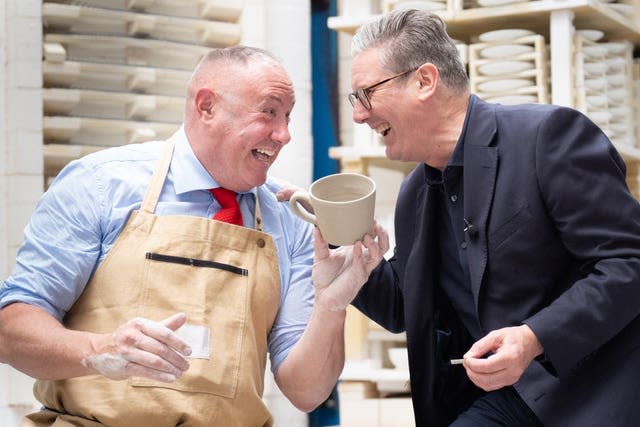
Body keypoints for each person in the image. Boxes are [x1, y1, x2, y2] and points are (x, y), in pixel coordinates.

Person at [0, 46, 388, 427]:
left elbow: (306, 392)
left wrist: (333, 303)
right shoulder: (101, 185)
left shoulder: (288, 218)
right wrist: (99, 350)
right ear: (206, 107)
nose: (284, 134)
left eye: (288, 116)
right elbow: (10, 329)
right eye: (269, 112)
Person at [344, 8, 640, 427]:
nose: (360, 114)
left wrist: (535, 337)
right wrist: (344, 254)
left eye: (366, 94)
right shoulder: (415, 192)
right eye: (354, 100)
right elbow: (406, 309)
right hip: (499, 400)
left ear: (424, 81)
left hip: (591, 391)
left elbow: (629, 262)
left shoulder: (548, 137)